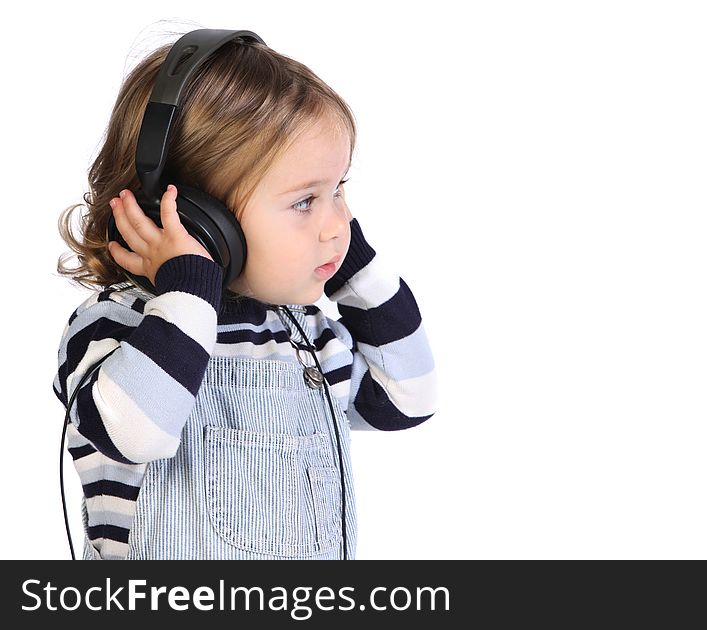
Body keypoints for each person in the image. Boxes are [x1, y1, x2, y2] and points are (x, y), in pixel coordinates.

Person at [52, 31, 438, 560]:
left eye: (339, 189)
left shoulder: (303, 334)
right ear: (201, 219)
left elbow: (409, 400)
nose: (337, 223)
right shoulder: (115, 327)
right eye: (305, 201)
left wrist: (355, 266)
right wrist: (189, 287)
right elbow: (135, 432)